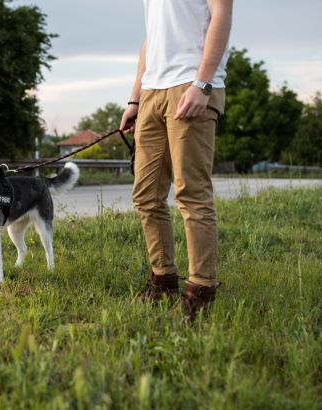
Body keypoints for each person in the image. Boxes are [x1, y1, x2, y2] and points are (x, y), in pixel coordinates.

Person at [120, 0, 233, 320]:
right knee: (146, 196)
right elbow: (151, 39)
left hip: (191, 84)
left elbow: (222, 14)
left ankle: (201, 291)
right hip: (153, 91)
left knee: (191, 193)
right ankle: (163, 281)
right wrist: (135, 97)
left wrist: (203, 83)